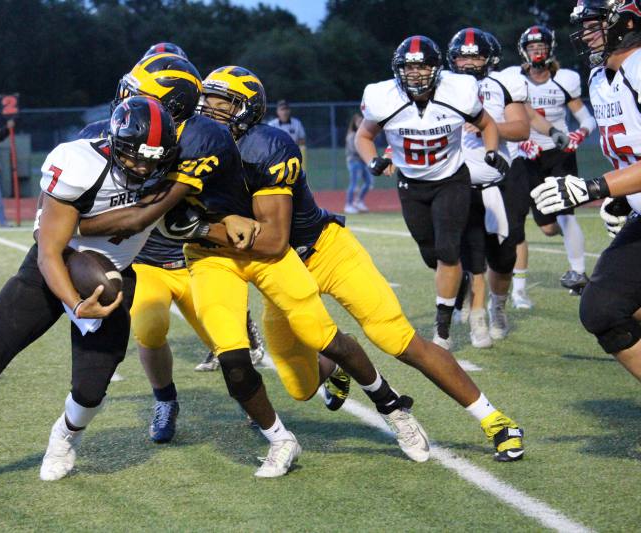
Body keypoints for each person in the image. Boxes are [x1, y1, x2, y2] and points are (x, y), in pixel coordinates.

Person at [84, 58, 430, 477]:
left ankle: (392, 406)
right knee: (232, 356)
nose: (131, 105)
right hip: (210, 257)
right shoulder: (148, 138)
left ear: (170, 104)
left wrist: (72, 225)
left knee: (320, 333)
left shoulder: (204, 137)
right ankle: (281, 440)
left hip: (259, 250)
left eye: (142, 96)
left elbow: (146, 215)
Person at [0, 97, 245, 492]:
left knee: (91, 391)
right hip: (53, 269)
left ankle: (65, 436)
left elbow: (186, 214)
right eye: (135, 156)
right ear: (115, 140)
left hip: (113, 279)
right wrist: (74, 304)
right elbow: (50, 251)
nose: (142, 167)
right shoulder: (79, 162)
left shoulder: (170, 171)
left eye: (152, 159)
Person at [197, 64, 525, 462]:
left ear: (247, 110)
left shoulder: (266, 146)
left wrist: (198, 227)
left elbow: (273, 238)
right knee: (299, 387)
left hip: (322, 250)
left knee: (398, 339)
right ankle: (335, 366)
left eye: (221, 104)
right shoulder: (198, 148)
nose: (209, 111)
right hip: (278, 271)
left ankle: (495, 420)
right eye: (206, 101)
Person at [80, 50, 265, 446]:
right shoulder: (122, 132)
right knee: (149, 329)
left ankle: (259, 399)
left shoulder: (202, 138)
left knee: (229, 342)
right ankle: (165, 400)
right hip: (147, 259)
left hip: (195, 256)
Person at [355, 35, 509, 351]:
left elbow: (489, 124)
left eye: (422, 65)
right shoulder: (382, 96)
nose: (415, 73)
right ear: (398, 70)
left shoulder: (459, 92)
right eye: (408, 67)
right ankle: (461, 285)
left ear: (436, 68)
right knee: (430, 254)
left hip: (451, 179)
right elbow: (364, 136)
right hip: (411, 185)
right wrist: (373, 159)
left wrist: (492, 151)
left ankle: (443, 331)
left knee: (448, 250)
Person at [531, 0, 641, 383]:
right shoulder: (600, 77)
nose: (587, 32)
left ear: (628, 21)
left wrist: (594, 188)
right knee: (604, 311)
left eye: (596, 24)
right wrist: (623, 196)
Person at [449, 28, 531, 348]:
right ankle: (477, 310)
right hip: (458, 177)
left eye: (475, 55)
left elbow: (522, 127)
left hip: (500, 175)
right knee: (470, 251)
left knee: (504, 255)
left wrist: (488, 126)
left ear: (489, 58)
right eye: (462, 55)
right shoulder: (442, 85)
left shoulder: (503, 83)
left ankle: (498, 306)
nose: (468, 62)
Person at [504, 25, 596, 304]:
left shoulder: (564, 80)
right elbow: (509, 121)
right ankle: (557, 232)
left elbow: (587, 119)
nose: (537, 52)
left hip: (558, 153)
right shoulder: (514, 80)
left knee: (566, 213)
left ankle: (578, 273)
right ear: (524, 51)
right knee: (546, 226)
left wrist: (579, 134)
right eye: (532, 48)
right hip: (527, 155)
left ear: (550, 49)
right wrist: (521, 144)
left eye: (541, 47)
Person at [344, 112, 372, 214]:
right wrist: (366, 152)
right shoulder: (352, 135)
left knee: (368, 182)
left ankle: (358, 201)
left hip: (363, 162)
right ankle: (348, 205)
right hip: (354, 162)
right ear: (354, 123)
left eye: (362, 121)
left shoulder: (364, 135)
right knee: (354, 184)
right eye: (359, 121)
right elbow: (355, 150)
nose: (361, 123)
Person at [267, 100, 306, 165]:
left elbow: (302, 140)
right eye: (282, 109)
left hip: (294, 155)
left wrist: (290, 145)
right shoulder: (271, 125)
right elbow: (267, 142)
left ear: (289, 111)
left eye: (286, 109)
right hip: (277, 157)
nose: (284, 112)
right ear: (278, 111)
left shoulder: (297, 123)